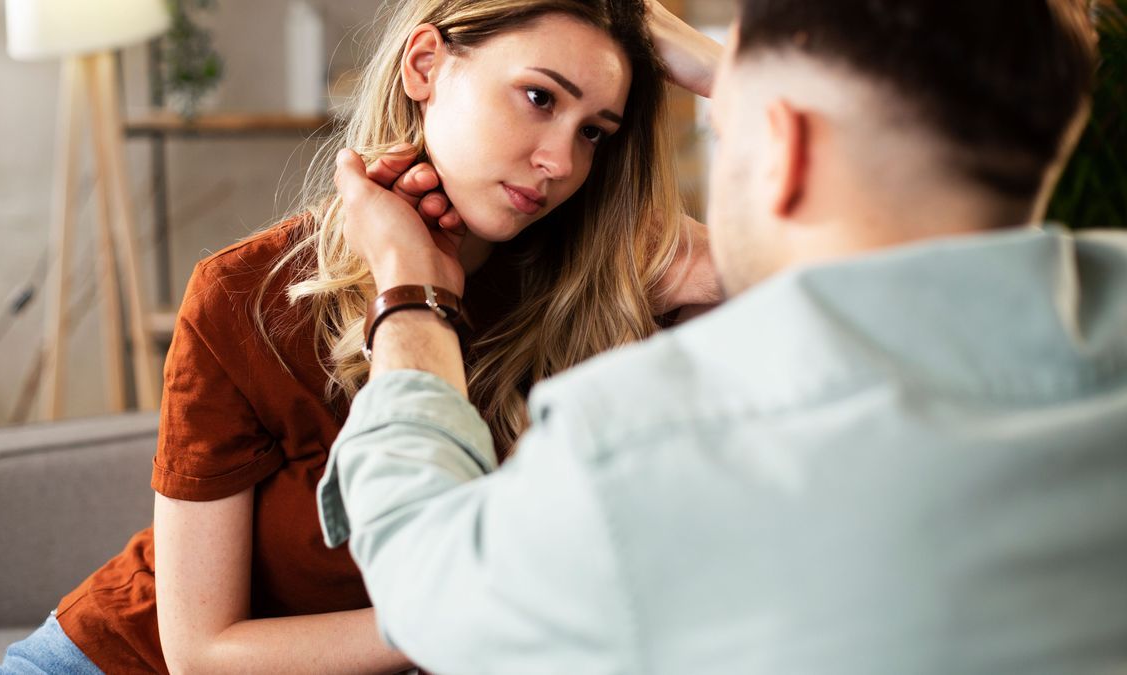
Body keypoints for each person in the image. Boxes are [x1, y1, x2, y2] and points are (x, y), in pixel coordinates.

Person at [320, 0, 1127, 672]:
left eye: (728, 128)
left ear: (784, 147)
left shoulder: (643, 449)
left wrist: (413, 289)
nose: (564, 163)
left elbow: (426, 585)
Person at [0, 0, 719, 672]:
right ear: (425, 64)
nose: (560, 161)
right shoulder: (248, 294)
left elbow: (828, 263)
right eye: (538, 97)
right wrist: (465, 607)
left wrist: (715, 66)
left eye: (593, 131)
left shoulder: (605, 277)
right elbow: (201, 652)